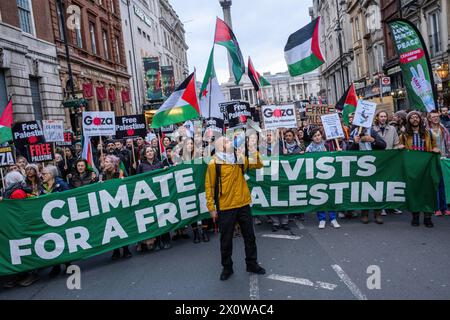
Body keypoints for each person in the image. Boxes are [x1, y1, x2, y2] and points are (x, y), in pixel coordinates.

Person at [205, 136, 265, 281]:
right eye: (225, 141)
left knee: (250, 237)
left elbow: (258, 164)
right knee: (226, 240)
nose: (230, 142)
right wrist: (211, 207)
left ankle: (252, 264)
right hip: (226, 207)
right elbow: (210, 186)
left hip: (243, 203)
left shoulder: (239, 157)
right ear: (219, 147)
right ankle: (227, 267)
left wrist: (251, 148)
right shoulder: (214, 164)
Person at [400, 111, 440, 227]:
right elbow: (397, 147)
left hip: (426, 167)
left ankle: (428, 218)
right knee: (413, 192)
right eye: (412, 117)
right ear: (409, 121)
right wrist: (399, 147)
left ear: (420, 119)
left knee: (427, 191)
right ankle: (415, 217)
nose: (414, 119)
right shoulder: (404, 135)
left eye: (416, 117)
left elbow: (435, 146)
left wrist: (436, 149)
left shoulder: (428, 133)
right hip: (412, 168)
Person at [1, 171, 40, 288]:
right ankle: (18, 275)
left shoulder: (17, 192)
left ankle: (31, 273)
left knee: (24, 251)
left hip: (20, 226)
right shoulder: (11, 191)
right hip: (15, 226)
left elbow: (18, 209)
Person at [348, 122, 387, 224]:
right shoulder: (353, 133)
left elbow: (383, 145)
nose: (363, 127)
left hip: (374, 165)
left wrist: (372, 140)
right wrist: (355, 143)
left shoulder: (372, 132)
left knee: (376, 189)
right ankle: (364, 213)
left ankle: (377, 213)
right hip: (360, 166)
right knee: (364, 190)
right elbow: (347, 151)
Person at [305, 128, 341, 229]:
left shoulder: (328, 144)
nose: (317, 137)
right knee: (319, 197)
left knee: (330, 196)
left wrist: (338, 151)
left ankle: (333, 218)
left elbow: (335, 157)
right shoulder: (309, 148)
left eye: (319, 135)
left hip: (330, 175)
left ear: (322, 135)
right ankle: (322, 219)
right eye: (315, 136)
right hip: (317, 176)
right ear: (312, 138)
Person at [372, 110, 404, 215]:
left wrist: (395, 150)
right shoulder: (372, 129)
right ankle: (380, 207)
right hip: (377, 160)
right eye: (381, 116)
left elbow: (396, 143)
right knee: (378, 184)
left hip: (390, 160)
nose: (383, 118)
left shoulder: (392, 129)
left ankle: (391, 206)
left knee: (390, 183)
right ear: (377, 117)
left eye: (385, 116)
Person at [41, 165, 71, 277]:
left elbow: (69, 198)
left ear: (51, 175)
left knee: (64, 240)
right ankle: (56, 266)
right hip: (48, 220)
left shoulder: (61, 185)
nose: (42, 175)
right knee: (52, 242)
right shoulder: (42, 187)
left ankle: (68, 264)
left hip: (61, 219)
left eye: (44, 174)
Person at [100, 155, 131, 259]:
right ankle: (116, 250)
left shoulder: (120, 172)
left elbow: (127, 184)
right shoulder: (102, 175)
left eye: (108, 162)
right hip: (108, 204)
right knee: (111, 228)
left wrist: (123, 180)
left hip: (119, 203)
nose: (105, 164)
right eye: (105, 162)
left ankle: (126, 249)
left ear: (113, 163)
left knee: (122, 226)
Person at [136, 147, 165, 251]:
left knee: (163, 215)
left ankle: (164, 239)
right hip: (148, 195)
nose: (149, 153)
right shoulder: (141, 166)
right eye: (147, 151)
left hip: (160, 192)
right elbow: (137, 180)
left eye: (151, 151)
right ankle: (156, 240)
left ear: (154, 152)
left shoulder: (160, 163)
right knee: (154, 217)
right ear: (144, 154)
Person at [427, 110, 450, 216]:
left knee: (443, 184)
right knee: (435, 184)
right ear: (429, 118)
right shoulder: (427, 131)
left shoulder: (443, 129)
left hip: (444, 159)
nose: (436, 118)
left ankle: (444, 207)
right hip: (432, 160)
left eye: (437, 116)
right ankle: (436, 208)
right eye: (433, 117)